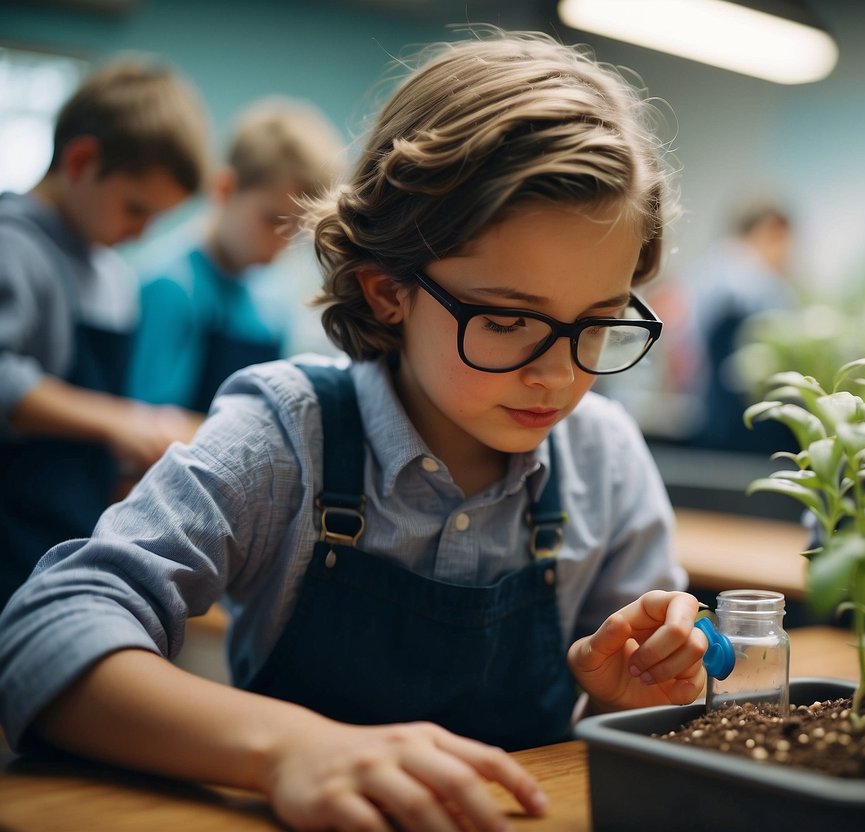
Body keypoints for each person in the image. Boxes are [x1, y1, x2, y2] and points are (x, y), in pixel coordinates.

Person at [0, 30, 707, 832]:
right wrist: (287, 750)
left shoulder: (605, 459)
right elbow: (43, 633)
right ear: (387, 293)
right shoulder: (286, 435)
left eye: (599, 322)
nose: (558, 376)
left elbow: (651, 693)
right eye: (508, 321)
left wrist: (629, 693)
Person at [0, 57, 211, 607]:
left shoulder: (112, 273)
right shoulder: (15, 246)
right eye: (135, 208)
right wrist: (125, 422)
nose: (141, 232)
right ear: (81, 160)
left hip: (61, 530)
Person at [126, 97, 346, 414]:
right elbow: (150, 430)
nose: (282, 244)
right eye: (272, 221)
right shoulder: (171, 286)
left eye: (297, 231)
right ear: (225, 189)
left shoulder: (272, 299)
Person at [681, 198, 798, 454]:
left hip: (711, 413)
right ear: (764, 231)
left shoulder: (706, 272)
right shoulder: (751, 278)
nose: (787, 250)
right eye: (780, 238)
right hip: (741, 420)